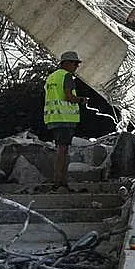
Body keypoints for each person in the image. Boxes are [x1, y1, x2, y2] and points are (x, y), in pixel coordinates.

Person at [44, 51, 86, 189]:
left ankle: (59, 181)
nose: (76, 66)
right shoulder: (67, 76)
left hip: (52, 118)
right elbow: (69, 97)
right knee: (63, 151)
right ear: (66, 63)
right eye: (75, 63)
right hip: (64, 119)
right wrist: (81, 100)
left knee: (60, 149)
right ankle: (59, 182)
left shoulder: (51, 77)